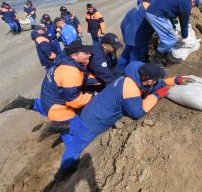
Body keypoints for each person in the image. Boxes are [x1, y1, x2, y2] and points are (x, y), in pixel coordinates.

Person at [54, 61, 193, 180]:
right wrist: (156, 96)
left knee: (77, 129)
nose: (156, 81)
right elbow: (137, 113)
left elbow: (152, 85)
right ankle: (62, 173)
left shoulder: (135, 74)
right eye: (155, 79)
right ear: (148, 78)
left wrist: (174, 81)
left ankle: (64, 130)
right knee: (75, 148)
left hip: (93, 109)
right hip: (94, 121)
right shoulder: (130, 89)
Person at [0, 40, 94, 126]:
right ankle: (53, 128)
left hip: (47, 96)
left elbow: (78, 79)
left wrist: (96, 79)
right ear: (74, 56)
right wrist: (91, 96)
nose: (89, 55)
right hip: (56, 107)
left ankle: (25, 102)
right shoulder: (70, 72)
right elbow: (74, 101)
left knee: (47, 104)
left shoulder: (64, 61)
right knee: (77, 126)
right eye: (86, 53)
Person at [145, 0, 200, 65]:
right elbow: (184, 22)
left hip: (157, 13)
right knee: (171, 39)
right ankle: (156, 58)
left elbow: (170, 10)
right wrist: (185, 35)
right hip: (156, 15)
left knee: (171, 34)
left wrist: (172, 25)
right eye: (195, 5)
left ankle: (169, 56)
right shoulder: (187, 3)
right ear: (193, 1)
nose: (193, 7)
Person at [119, 0, 163, 68]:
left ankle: (119, 68)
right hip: (134, 30)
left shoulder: (144, 2)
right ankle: (134, 72)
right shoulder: (150, 7)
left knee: (128, 50)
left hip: (127, 26)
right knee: (136, 53)